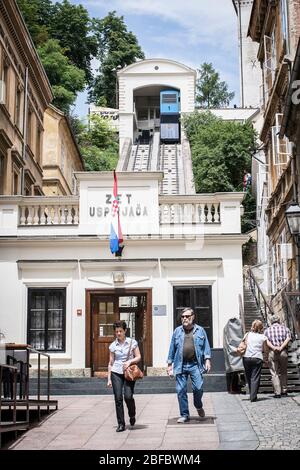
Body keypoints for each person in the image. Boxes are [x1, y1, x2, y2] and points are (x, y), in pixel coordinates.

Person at [167, 307, 211, 423]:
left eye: (187, 316)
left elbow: (206, 346)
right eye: (183, 317)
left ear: (193, 317)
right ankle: (184, 414)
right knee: (180, 390)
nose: (185, 318)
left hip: (195, 365)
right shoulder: (177, 331)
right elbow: (172, 348)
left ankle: (198, 405)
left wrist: (207, 360)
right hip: (180, 365)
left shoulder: (200, 330)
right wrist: (169, 365)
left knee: (198, 388)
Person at [107, 320, 141, 432]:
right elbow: (111, 363)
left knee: (128, 396)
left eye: (120, 331)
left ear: (125, 331)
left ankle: (132, 414)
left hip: (128, 373)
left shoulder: (132, 342)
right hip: (116, 373)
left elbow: (138, 357)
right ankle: (121, 424)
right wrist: (109, 379)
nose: (118, 333)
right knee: (118, 398)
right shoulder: (112, 346)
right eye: (116, 331)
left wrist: (129, 362)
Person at [264, 315, 291, 398]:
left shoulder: (267, 330)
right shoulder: (285, 329)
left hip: (272, 352)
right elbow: (288, 338)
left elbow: (266, 341)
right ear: (279, 320)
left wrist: (273, 347)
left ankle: (277, 392)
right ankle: (284, 391)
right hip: (283, 352)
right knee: (283, 372)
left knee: (274, 373)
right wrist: (281, 347)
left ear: (271, 321)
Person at [243, 319, 269, 402]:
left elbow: (244, 344)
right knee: (255, 377)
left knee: (249, 377)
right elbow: (266, 350)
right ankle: (253, 396)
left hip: (246, 357)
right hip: (257, 358)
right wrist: (266, 359)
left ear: (252, 326)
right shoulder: (263, 337)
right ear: (261, 327)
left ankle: (252, 394)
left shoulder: (247, 335)